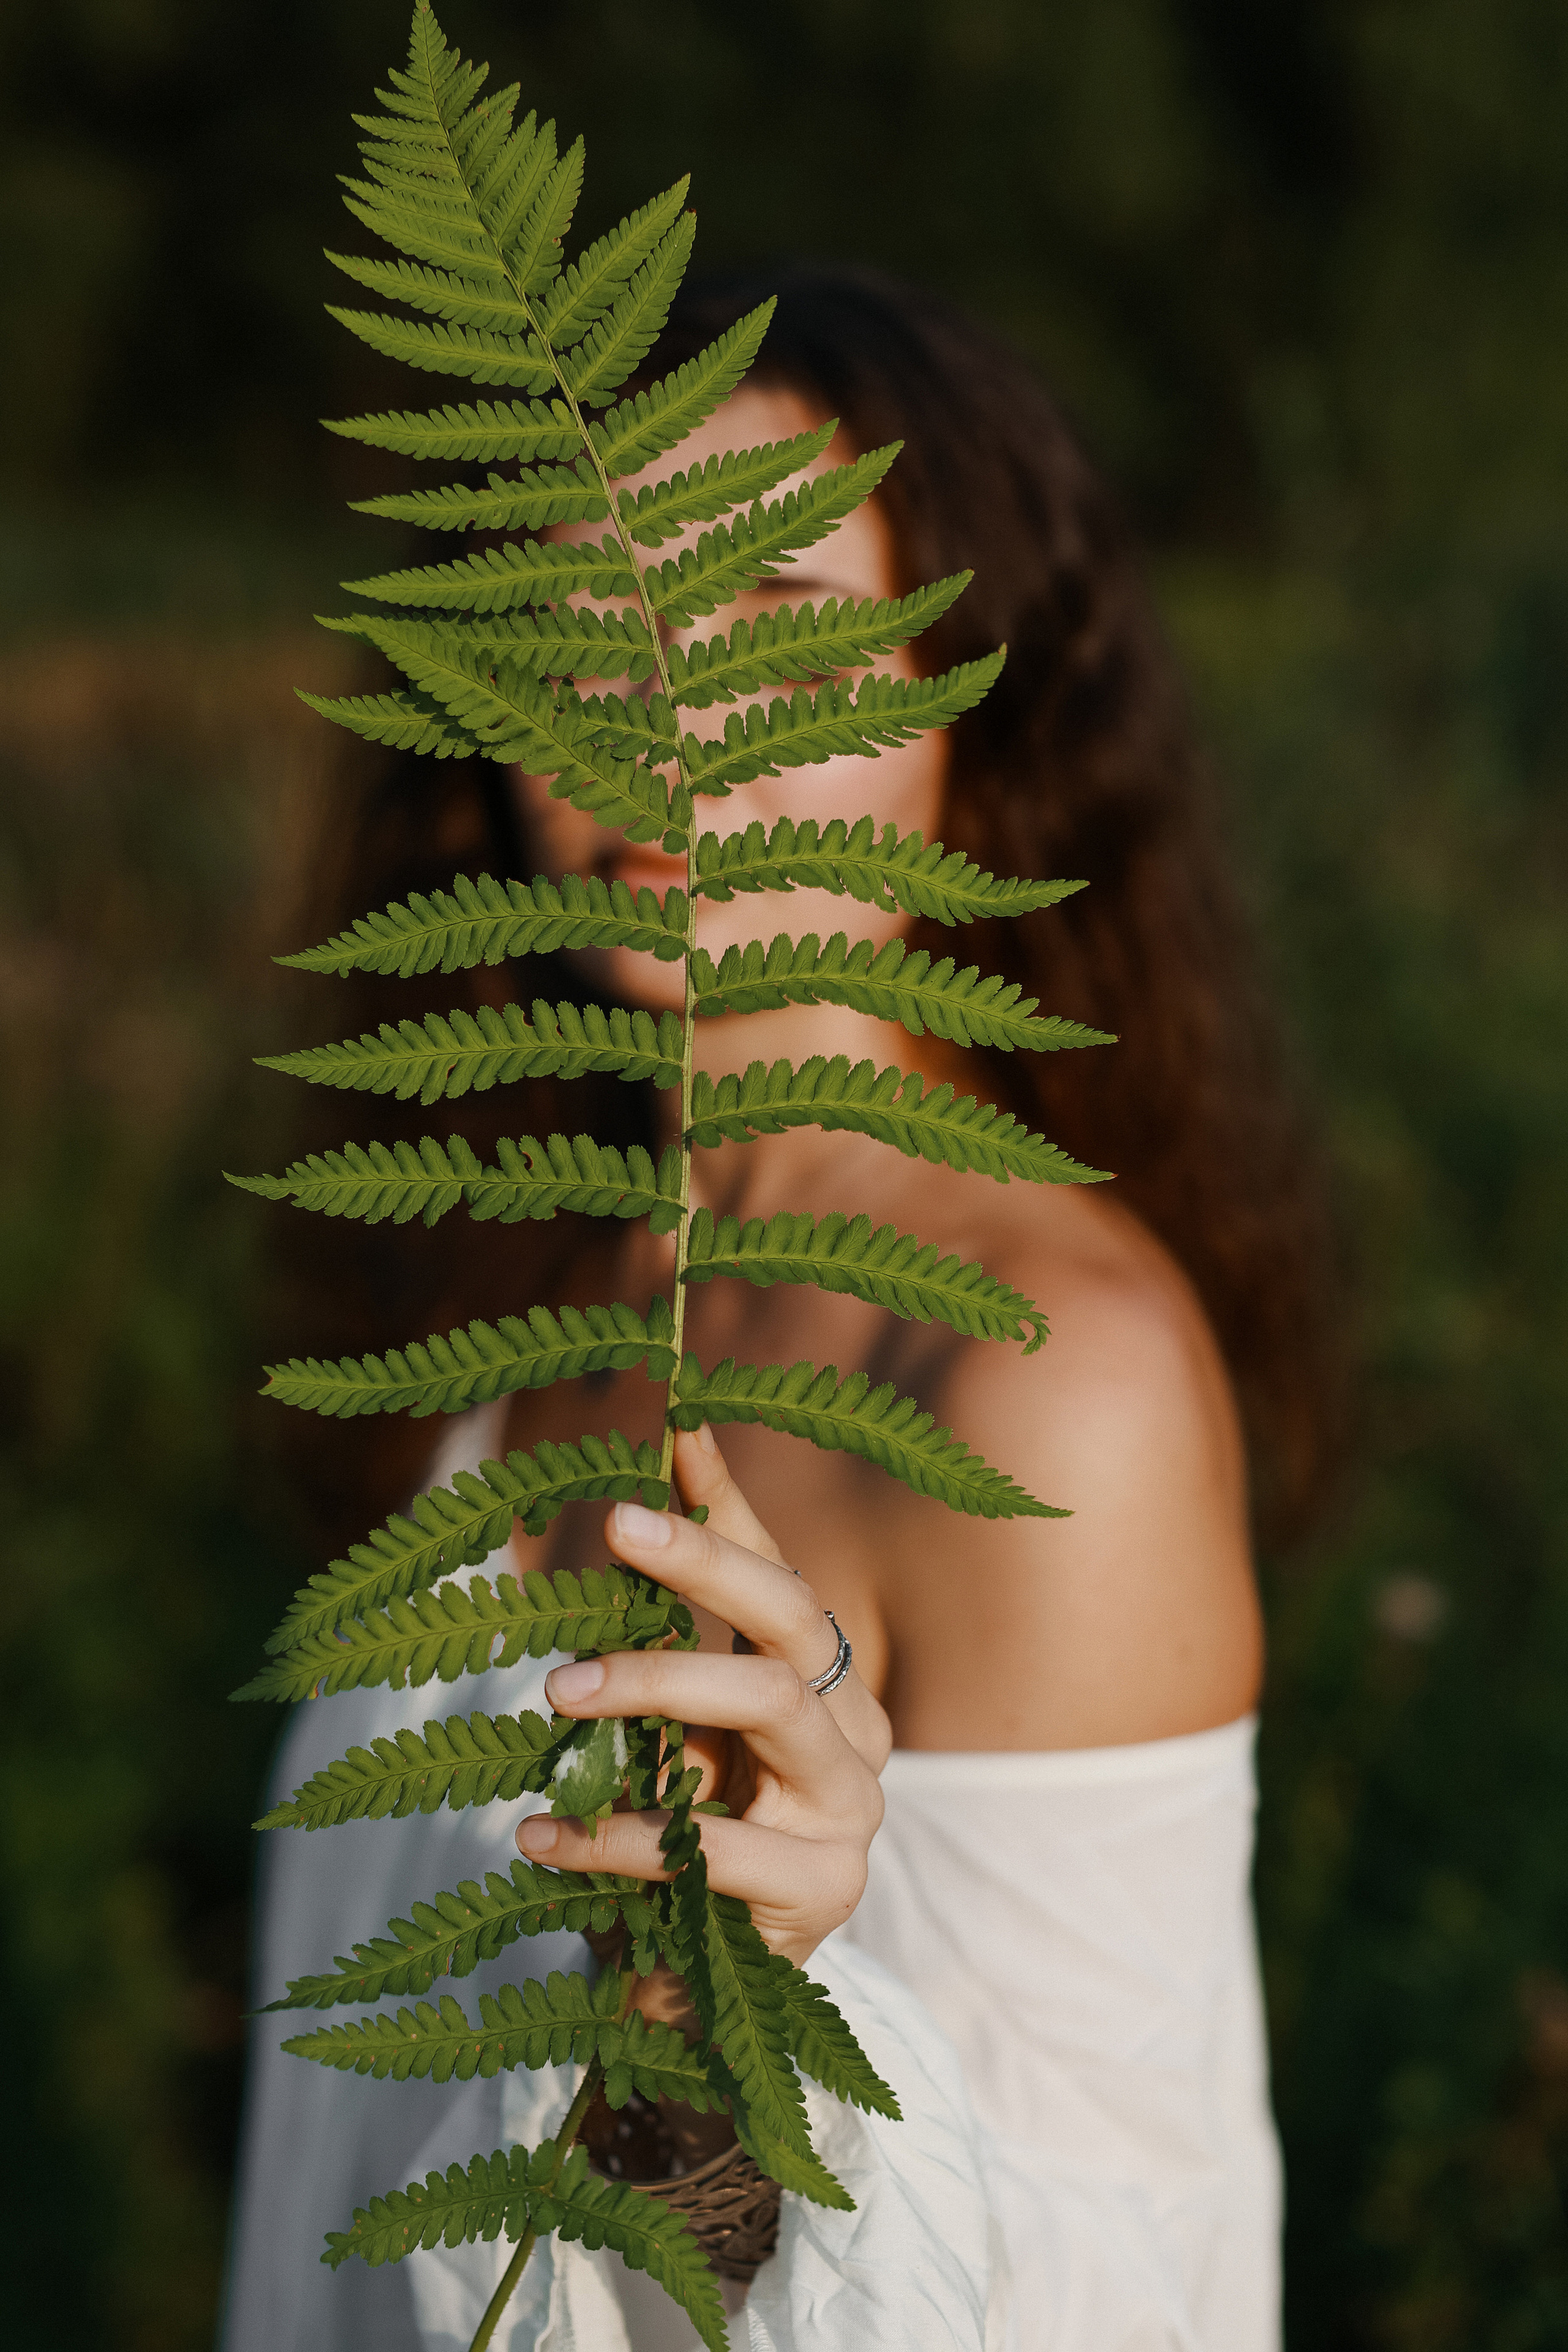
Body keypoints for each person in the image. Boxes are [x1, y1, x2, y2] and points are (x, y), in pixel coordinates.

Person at [224, 265, 1340, 2351]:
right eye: (593, 626)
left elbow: (1123, 2287)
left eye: (776, 623)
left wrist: (728, 2024)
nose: (663, 727)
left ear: (968, 700)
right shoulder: (539, 1251)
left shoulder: (1046, 1387)